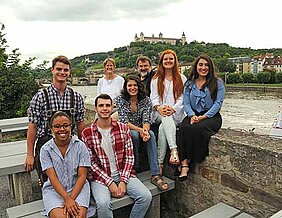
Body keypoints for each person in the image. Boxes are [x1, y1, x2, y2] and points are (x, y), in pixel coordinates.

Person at [82, 94, 152, 218]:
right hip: (100, 177)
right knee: (103, 204)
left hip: (122, 173)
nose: (104, 108)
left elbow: (129, 157)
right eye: (101, 105)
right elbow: (90, 163)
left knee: (145, 197)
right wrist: (110, 183)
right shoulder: (87, 133)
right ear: (95, 108)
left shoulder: (123, 128)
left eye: (107, 105)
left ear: (112, 107)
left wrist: (123, 181)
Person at [25, 55, 85, 186]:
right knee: (50, 184)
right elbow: (33, 126)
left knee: (73, 181)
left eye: (65, 70)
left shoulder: (76, 97)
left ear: (69, 72)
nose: (62, 72)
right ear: (52, 70)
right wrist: (30, 154)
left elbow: (80, 124)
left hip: (70, 143)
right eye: (59, 69)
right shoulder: (40, 97)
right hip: (46, 142)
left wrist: (84, 147)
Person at [115, 75, 169, 190]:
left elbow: (146, 119)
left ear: (139, 87)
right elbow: (124, 122)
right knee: (133, 135)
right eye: (130, 85)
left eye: (135, 85)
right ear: (126, 87)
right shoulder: (120, 100)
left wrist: (145, 132)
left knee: (152, 135)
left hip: (141, 127)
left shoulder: (146, 100)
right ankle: (134, 167)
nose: (132, 88)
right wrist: (140, 131)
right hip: (127, 128)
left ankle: (155, 174)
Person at [177, 55, 225, 181]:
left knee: (199, 128)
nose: (203, 68)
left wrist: (204, 117)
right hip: (193, 114)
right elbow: (186, 103)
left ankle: (193, 159)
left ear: (210, 67)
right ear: (196, 67)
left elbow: (218, 104)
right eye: (201, 65)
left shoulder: (218, 83)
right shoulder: (189, 83)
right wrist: (192, 115)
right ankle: (184, 164)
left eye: (206, 65)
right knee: (183, 127)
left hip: (211, 116)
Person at [40, 111, 94, 218]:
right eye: (57, 126)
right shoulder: (45, 150)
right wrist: (66, 199)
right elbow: (52, 177)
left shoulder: (80, 146)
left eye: (65, 126)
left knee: (79, 216)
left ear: (71, 127)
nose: (62, 129)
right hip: (54, 190)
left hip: (78, 188)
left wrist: (71, 199)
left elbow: (82, 176)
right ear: (51, 129)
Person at [150, 49, 187, 174]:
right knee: (165, 118)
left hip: (176, 113)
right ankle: (174, 149)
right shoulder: (156, 79)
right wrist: (158, 108)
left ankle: (159, 164)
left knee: (162, 129)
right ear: (162, 62)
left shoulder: (181, 78)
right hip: (160, 113)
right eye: (165, 59)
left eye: (171, 58)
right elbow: (153, 97)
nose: (168, 61)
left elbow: (183, 97)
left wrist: (173, 108)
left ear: (175, 61)